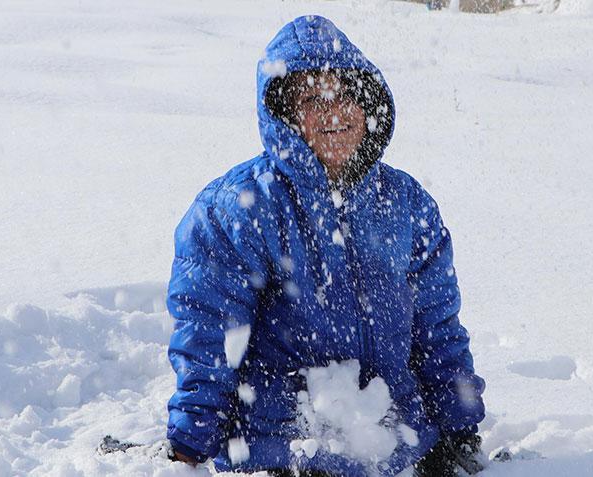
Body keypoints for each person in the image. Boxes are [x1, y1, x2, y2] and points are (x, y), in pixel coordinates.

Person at [166, 15, 485, 477]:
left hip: (400, 450)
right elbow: (209, 340)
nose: (334, 112)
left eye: (345, 96)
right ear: (285, 116)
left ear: (367, 102)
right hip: (283, 451)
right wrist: (189, 446)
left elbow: (438, 327)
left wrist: (460, 426)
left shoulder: (406, 202)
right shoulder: (237, 210)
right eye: (313, 99)